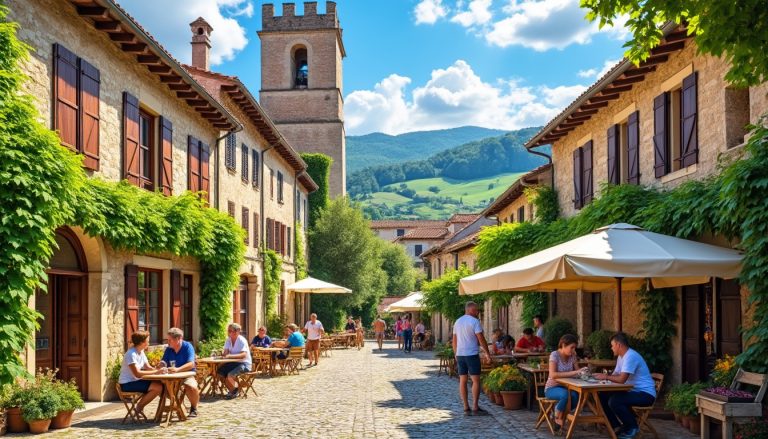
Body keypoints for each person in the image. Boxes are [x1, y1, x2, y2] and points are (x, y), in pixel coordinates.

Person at [594, 332, 657, 439]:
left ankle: (632, 427)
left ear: (619, 345)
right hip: (632, 391)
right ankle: (616, 426)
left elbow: (622, 379)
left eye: (612, 345)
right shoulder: (621, 357)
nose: (611, 348)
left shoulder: (631, 356)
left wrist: (605, 377)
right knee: (602, 395)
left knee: (615, 401)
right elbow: (615, 374)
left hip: (645, 395)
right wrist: (601, 379)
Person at [453, 301, 492, 416]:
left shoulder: (458, 321)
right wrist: (487, 353)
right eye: (476, 310)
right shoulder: (475, 322)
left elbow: (454, 340)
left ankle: (466, 406)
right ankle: (475, 406)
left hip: (460, 354)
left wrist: (456, 354)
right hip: (471, 354)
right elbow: (481, 338)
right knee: (476, 380)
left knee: (463, 380)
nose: (477, 312)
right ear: (469, 309)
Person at [545, 334, 589, 431]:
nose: (574, 350)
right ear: (564, 345)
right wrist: (576, 372)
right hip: (552, 388)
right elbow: (553, 375)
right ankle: (557, 416)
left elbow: (577, 372)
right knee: (566, 395)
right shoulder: (554, 355)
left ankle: (560, 414)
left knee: (576, 396)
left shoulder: (572, 356)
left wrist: (584, 372)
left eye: (575, 348)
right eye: (572, 347)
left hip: (567, 387)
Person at [118, 331, 162, 417]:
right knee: (158, 387)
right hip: (127, 384)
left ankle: (168, 407)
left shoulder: (141, 352)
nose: (149, 342)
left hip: (135, 381)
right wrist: (156, 372)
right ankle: (139, 407)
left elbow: (148, 367)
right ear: (142, 342)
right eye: (147, 340)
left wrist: (160, 370)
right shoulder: (131, 354)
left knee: (161, 384)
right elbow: (137, 374)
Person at [161, 327, 200, 417]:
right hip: (171, 377)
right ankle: (177, 404)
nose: (168, 342)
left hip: (187, 374)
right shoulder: (169, 349)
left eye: (170, 340)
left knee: (192, 387)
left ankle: (194, 408)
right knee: (158, 387)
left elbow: (191, 364)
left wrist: (178, 369)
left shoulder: (187, 347)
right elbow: (164, 361)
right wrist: (161, 365)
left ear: (178, 339)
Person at [219, 323, 252, 399]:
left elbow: (243, 355)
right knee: (220, 373)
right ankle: (234, 390)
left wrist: (230, 356)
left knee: (230, 375)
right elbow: (226, 353)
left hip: (244, 364)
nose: (229, 332)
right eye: (228, 331)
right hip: (234, 363)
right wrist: (223, 355)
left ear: (237, 331)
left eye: (231, 331)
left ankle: (234, 392)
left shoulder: (242, 340)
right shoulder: (228, 340)